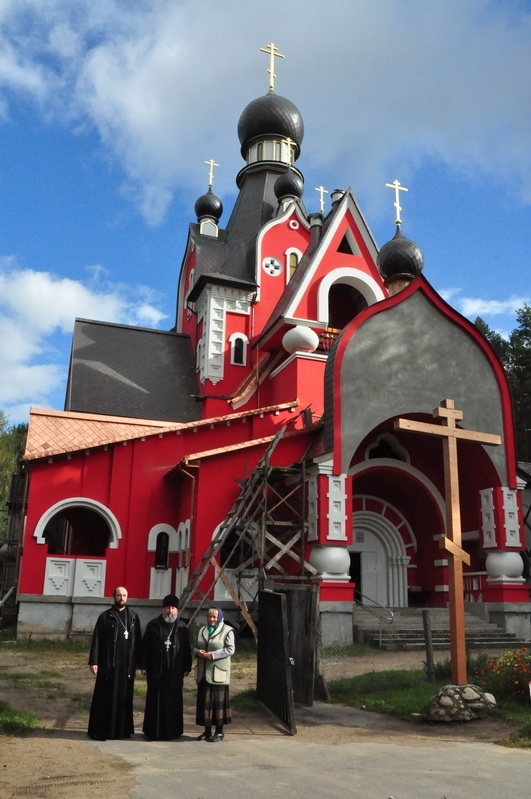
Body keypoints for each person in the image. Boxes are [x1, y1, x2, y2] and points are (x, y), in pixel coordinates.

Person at [87, 586, 141, 740]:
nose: (121, 598)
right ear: (114, 597)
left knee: (124, 698)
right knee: (106, 698)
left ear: (127, 598)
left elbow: (138, 641)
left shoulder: (133, 617)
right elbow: (97, 640)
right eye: (119, 595)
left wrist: (139, 663)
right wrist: (94, 661)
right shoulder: (106, 616)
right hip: (108, 664)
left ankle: (121, 731)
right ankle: (104, 730)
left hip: (126, 666)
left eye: (124, 595)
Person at [141, 594, 192, 741]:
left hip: (174, 671)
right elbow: (145, 647)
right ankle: (154, 731)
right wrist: (143, 665)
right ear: (163, 609)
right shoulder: (153, 625)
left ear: (177, 610)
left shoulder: (182, 627)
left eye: (173, 608)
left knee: (173, 700)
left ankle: (172, 731)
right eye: (168, 608)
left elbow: (186, 649)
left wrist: (187, 667)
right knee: (155, 700)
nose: (170, 611)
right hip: (156, 670)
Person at [193, 607, 235, 742]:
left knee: (218, 705)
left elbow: (230, 649)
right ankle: (207, 732)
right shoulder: (202, 630)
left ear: (219, 618)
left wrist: (213, 655)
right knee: (205, 704)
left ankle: (219, 732)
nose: (211, 619)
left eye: (214, 617)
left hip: (218, 673)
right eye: (209, 617)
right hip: (203, 673)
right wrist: (197, 652)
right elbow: (194, 646)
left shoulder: (227, 631)